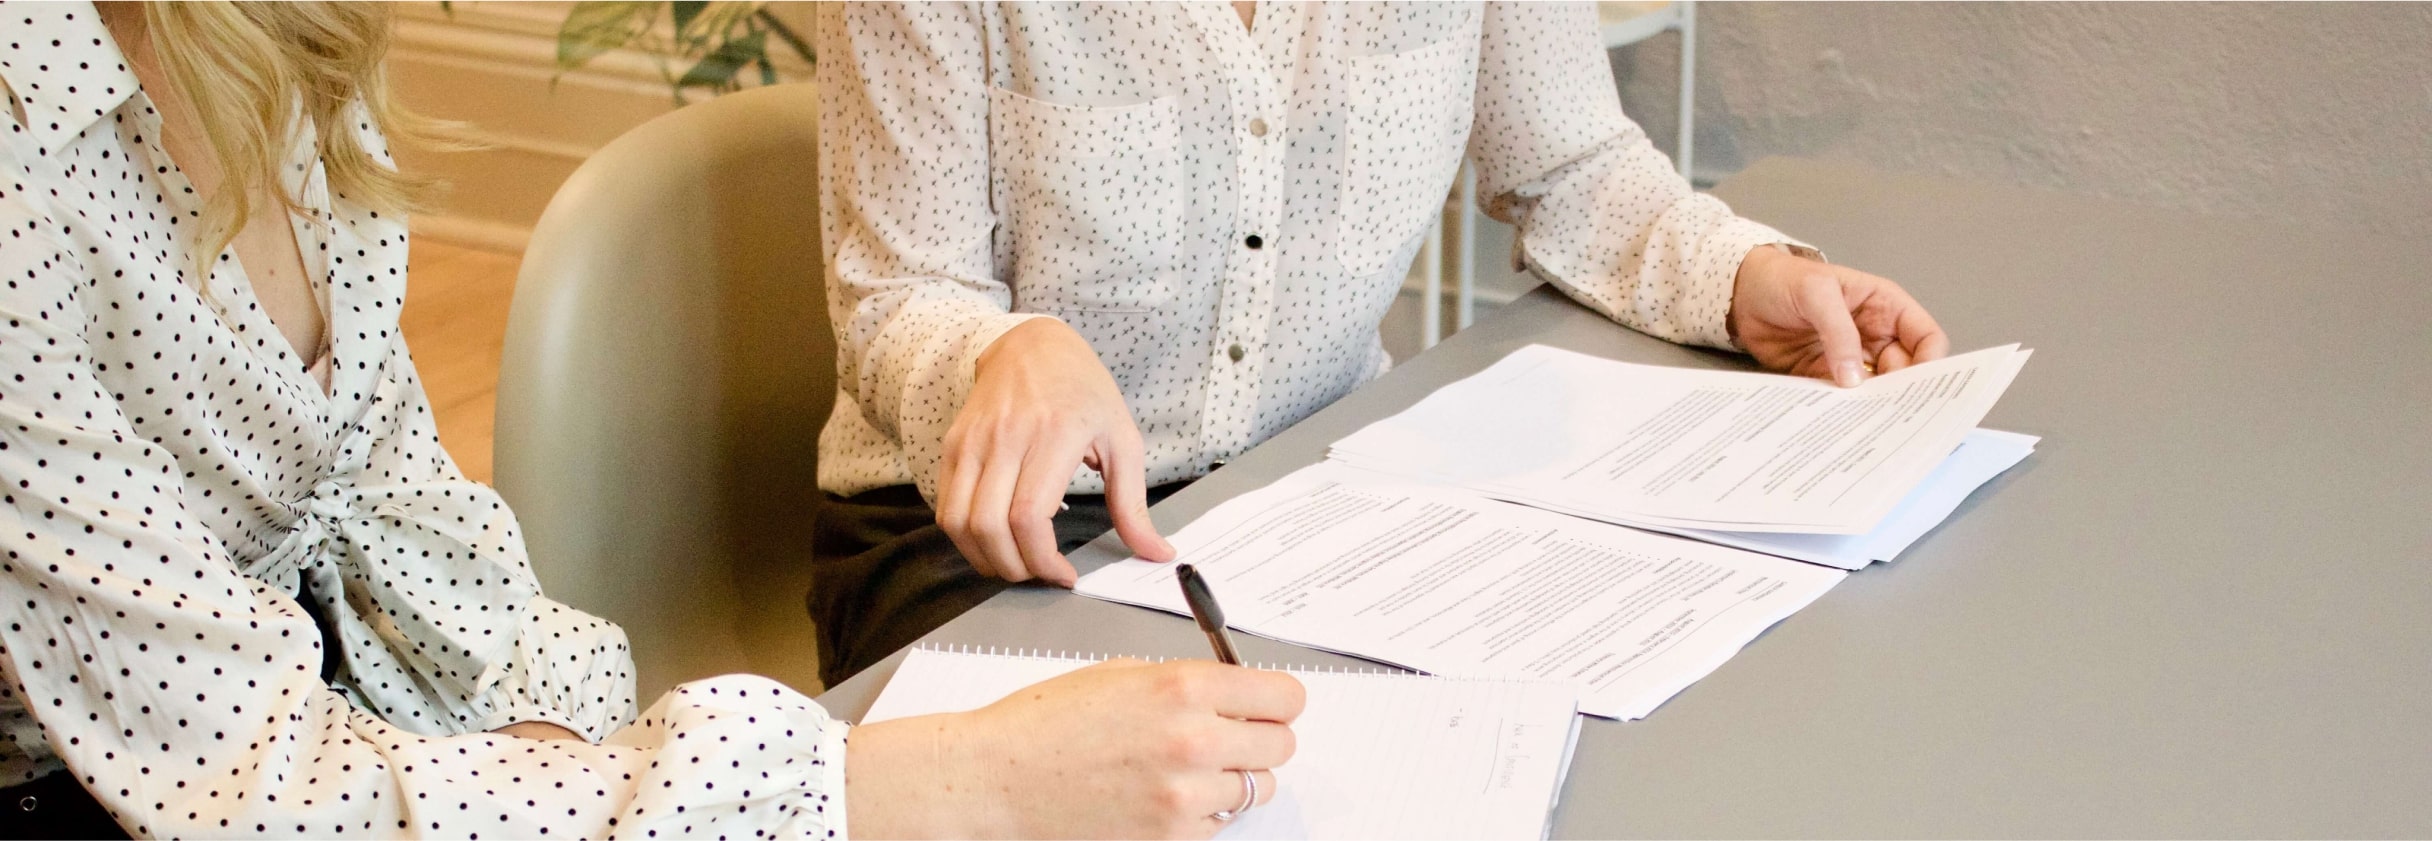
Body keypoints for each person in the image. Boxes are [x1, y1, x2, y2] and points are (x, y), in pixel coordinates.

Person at [0, 3, 1299, 839]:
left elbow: (401, 518)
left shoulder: (281, 44)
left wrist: (562, 752)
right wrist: (948, 785)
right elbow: (255, 783)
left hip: (341, 734)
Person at [809, 1, 1952, 684]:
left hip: (1312, 495)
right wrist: (1000, 353)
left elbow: (1569, 165)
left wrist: (1744, 278)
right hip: (984, 534)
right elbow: (897, 290)